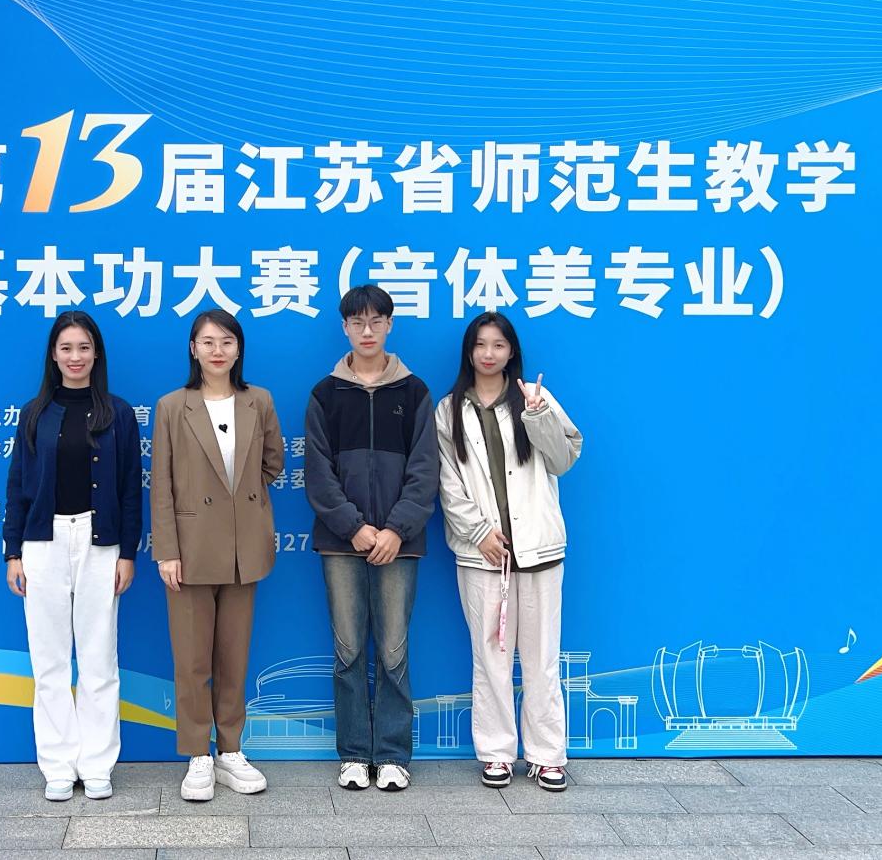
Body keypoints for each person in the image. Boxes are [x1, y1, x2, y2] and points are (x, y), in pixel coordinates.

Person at [435, 311, 582, 793]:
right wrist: (478, 531)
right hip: (483, 556)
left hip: (538, 550)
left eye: (498, 345)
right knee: (490, 658)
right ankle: (497, 752)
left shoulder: (534, 398)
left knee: (541, 659)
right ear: (469, 351)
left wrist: (537, 415)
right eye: (481, 344)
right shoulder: (449, 410)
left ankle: (546, 755)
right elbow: (448, 483)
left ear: (511, 351)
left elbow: (563, 459)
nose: (489, 353)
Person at [3, 310, 142, 803]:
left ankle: (98, 764)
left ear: (96, 353)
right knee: (50, 660)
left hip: (100, 543)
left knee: (100, 657)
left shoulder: (118, 414)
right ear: (53, 355)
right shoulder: (34, 413)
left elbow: (130, 489)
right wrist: (13, 552)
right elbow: (17, 486)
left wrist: (128, 552)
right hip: (43, 543)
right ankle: (59, 765)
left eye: (84, 347)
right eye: (66, 348)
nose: (75, 357)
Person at [303, 284, 438, 792]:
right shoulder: (325, 394)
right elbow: (318, 475)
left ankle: (394, 754)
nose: (367, 330)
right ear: (344, 328)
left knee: (395, 650)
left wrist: (395, 530)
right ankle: (356, 754)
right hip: (342, 543)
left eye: (376, 321)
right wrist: (355, 527)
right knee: (349, 650)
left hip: (400, 544)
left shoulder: (415, 392)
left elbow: (425, 471)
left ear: (389, 325)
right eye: (357, 322)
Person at [151, 308, 284, 802]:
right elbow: (161, 485)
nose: (217, 350)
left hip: (244, 546)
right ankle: (197, 755)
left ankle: (230, 750)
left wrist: (240, 505)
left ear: (238, 348)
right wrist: (167, 549)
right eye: (207, 342)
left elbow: (273, 463)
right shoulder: (172, 406)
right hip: (189, 548)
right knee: (192, 660)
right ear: (193, 348)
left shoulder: (258, 400)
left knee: (234, 656)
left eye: (226, 341)